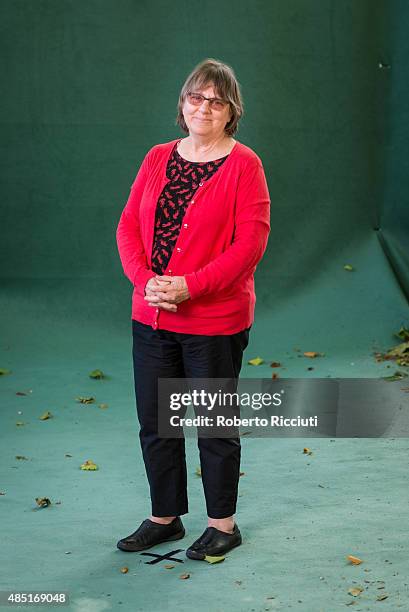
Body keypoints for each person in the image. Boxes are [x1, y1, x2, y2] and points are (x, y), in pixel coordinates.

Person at [115, 58, 270, 560]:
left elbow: (250, 244)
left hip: (214, 321)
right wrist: (147, 284)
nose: (204, 107)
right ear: (183, 105)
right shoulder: (159, 155)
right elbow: (128, 226)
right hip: (152, 315)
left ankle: (223, 525)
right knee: (156, 422)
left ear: (231, 112)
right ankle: (166, 519)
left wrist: (190, 287)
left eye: (216, 101)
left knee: (214, 424)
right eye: (196, 98)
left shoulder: (245, 164)